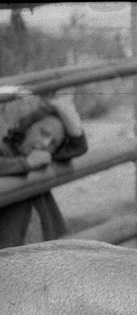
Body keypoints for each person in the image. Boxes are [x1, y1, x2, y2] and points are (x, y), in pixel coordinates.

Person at [0, 94, 88, 249]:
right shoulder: (5, 149)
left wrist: (61, 108)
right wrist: (25, 163)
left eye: (54, 143)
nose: (45, 144)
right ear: (28, 125)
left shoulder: (45, 157)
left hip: (42, 248)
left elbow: (79, 147)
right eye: (43, 132)